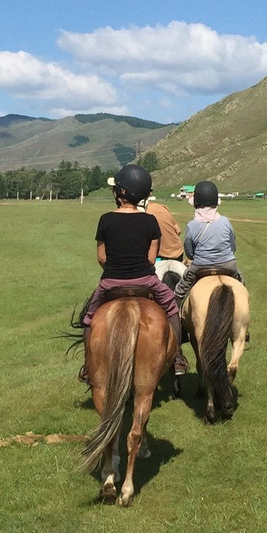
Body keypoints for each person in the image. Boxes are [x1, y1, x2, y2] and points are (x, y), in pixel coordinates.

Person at [79, 164, 188, 382]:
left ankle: (88, 364)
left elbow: (101, 257)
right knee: (171, 307)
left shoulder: (105, 219)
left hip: (111, 282)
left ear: (120, 194)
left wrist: (115, 270)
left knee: (89, 317)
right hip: (146, 281)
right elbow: (150, 259)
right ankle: (177, 358)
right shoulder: (149, 220)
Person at [172, 180, 245, 305]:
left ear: (196, 203)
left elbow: (189, 253)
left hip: (200, 266)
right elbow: (232, 247)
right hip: (228, 264)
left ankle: (174, 313)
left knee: (180, 290)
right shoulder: (226, 221)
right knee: (242, 286)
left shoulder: (192, 225)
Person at [143, 190, 184, 281]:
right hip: (177, 254)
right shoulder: (162, 208)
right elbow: (178, 230)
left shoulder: (139, 214)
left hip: (155, 257)